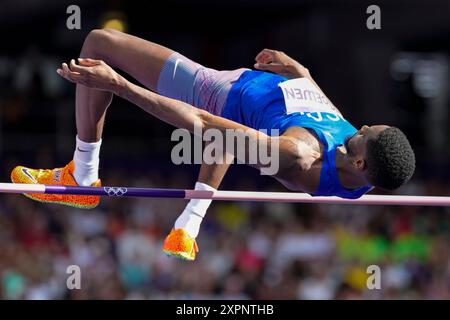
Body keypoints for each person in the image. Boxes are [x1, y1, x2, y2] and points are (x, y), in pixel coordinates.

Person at [11, 29, 415, 261]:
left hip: (216, 92)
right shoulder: (362, 161)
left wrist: (119, 86)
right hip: (252, 107)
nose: (359, 125)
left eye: (364, 133)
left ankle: (82, 176)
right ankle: (187, 225)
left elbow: (203, 123)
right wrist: (302, 74)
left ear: (360, 163)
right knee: (235, 138)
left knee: (99, 43)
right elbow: (330, 115)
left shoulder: (298, 155)